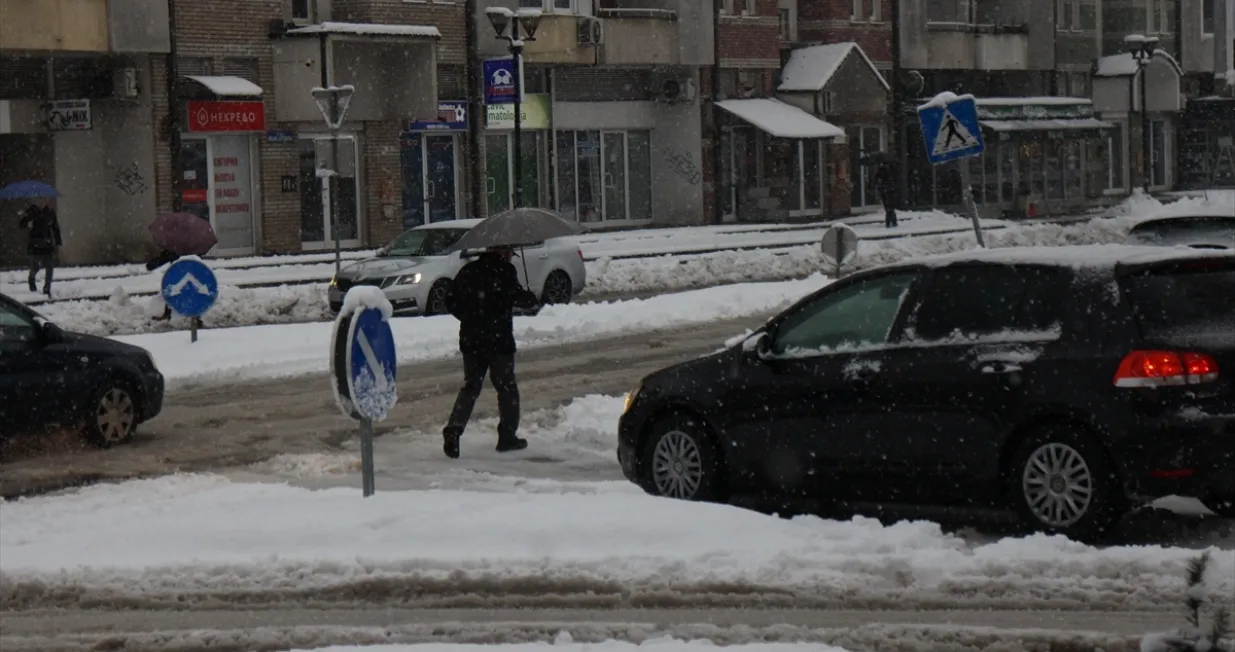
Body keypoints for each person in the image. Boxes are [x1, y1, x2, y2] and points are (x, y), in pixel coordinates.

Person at [442, 246, 540, 459]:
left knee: (471, 386)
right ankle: (507, 436)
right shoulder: (505, 271)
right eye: (510, 254)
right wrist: (530, 298)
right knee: (506, 387)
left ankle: (454, 428)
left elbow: (450, 300)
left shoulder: (468, 271)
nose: (511, 258)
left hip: (472, 340)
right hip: (499, 340)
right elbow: (517, 298)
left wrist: (469, 318)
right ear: (503, 253)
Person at [18, 199, 62, 296]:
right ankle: (31, 279)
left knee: (49, 266)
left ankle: (47, 289)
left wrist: (58, 242)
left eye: (44, 200)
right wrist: (27, 217)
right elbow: (22, 225)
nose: (42, 202)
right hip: (35, 245)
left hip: (47, 244)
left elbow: (55, 228)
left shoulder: (50, 213)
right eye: (40, 200)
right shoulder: (32, 212)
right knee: (35, 266)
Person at [874, 158, 899, 229]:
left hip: (886, 190)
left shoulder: (883, 170)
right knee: (890, 206)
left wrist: (880, 182)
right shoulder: (892, 169)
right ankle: (892, 221)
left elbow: (877, 179)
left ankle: (890, 221)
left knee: (888, 206)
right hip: (890, 190)